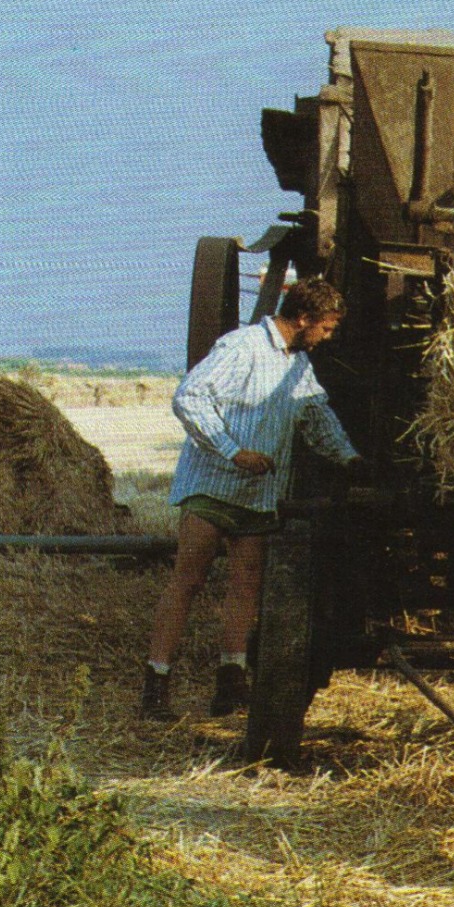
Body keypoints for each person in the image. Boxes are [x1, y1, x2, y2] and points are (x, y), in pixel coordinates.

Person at [142, 279, 363, 721]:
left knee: (246, 586)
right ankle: (156, 687)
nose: (328, 337)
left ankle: (230, 683)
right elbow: (190, 397)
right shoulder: (241, 347)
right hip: (212, 485)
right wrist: (232, 451)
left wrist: (351, 460)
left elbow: (317, 416)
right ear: (304, 319)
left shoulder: (299, 367)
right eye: (326, 328)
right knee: (188, 581)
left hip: (259, 494)